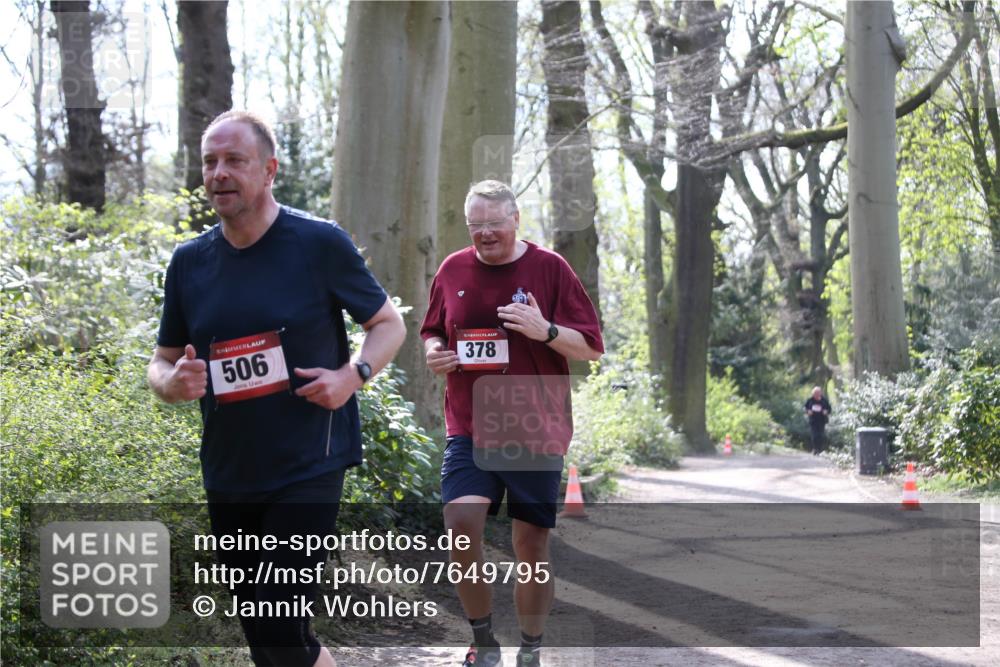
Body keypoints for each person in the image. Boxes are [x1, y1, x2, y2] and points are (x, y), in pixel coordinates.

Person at [147, 110, 405, 667]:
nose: (219, 172)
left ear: (269, 170)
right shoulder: (190, 262)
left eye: (234, 160)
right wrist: (172, 384)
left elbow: (388, 324)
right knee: (264, 634)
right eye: (210, 161)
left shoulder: (318, 243)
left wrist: (351, 376)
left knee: (279, 620)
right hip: (230, 468)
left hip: (309, 461)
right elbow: (162, 360)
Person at [420, 180, 604, 667]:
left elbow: (589, 346)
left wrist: (544, 330)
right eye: (475, 225)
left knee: (531, 545)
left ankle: (531, 647)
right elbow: (433, 330)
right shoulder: (452, 269)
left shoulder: (550, 269)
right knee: (461, 524)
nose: (484, 234)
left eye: (494, 223)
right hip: (470, 424)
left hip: (534, 427)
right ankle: (483, 642)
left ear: (515, 219)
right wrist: (435, 354)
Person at [804, 386, 832, 454]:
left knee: (820, 435)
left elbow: (829, 409)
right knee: (814, 435)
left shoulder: (824, 400)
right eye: (815, 393)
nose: (816, 395)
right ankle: (814, 449)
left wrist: (826, 412)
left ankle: (819, 449)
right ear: (813, 394)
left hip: (822, 420)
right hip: (813, 420)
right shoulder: (810, 400)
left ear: (820, 393)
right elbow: (805, 408)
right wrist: (808, 411)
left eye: (817, 393)